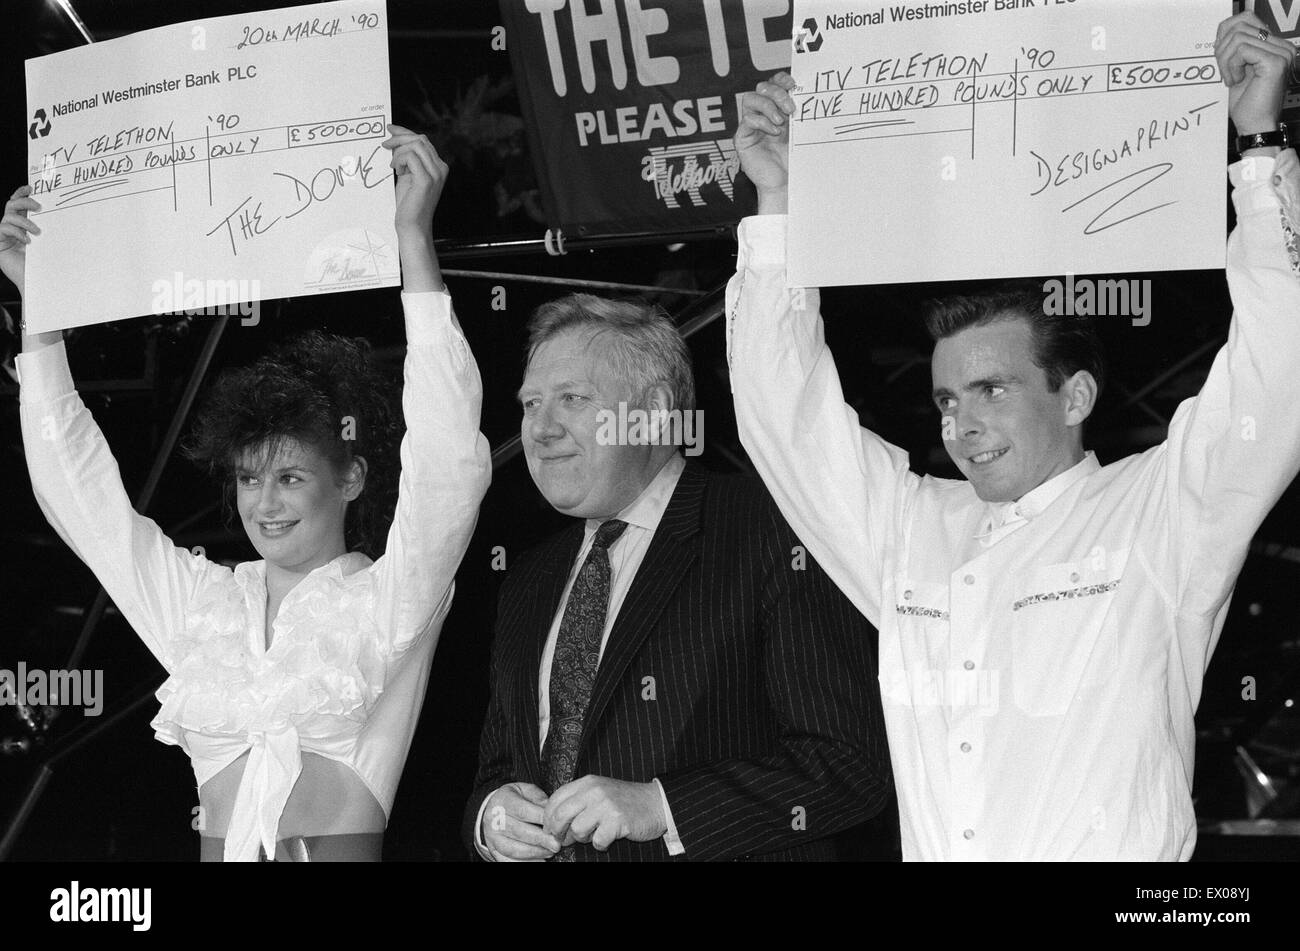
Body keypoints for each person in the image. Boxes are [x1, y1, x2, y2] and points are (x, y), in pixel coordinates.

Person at [726, 11, 1300, 860]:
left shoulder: (1159, 511)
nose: (961, 422)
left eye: (991, 389)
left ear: (1075, 396)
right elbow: (782, 417)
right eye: (947, 397)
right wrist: (777, 201)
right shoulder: (911, 527)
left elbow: (1279, 370)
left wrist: (1257, 149)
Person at [3, 127, 492, 861]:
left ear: (351, 477)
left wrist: (412, 242)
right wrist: (40, 307)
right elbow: (84, 505)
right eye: (249, 476)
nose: (265, 502)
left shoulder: (389, 601)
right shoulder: (204, 609)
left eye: (291, 476)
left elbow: (449, 462)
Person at [463, 293, 890, 861]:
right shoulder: (527, 579)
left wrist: (662, 808)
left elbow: (849, 765)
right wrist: (493, 822)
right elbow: (497, 770)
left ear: (654, 411)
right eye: (531, 403)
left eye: (571, 399)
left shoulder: (770, 528)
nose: (538, 430)